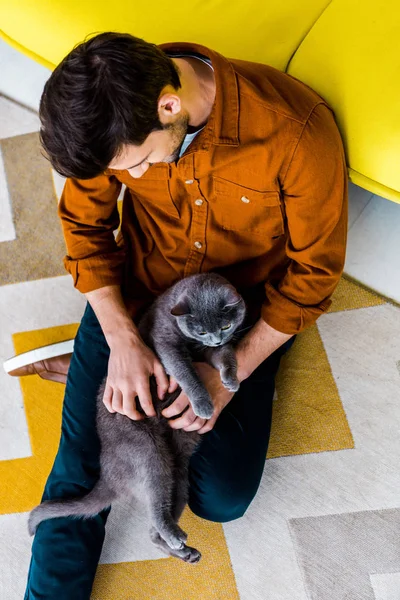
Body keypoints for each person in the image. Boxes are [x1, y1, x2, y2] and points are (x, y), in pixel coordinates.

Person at [7, 32, 348, 599]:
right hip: (138, 299)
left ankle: (81, 373)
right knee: (82, 467)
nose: (132, 180)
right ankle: (93, 365)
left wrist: (228, 372)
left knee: (218, 498)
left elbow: (313, 277)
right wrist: (121, 340)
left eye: (137, 165)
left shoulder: (295, 134)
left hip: (236, 318)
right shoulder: (107, 120)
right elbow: (86, 232)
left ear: (171, 105)